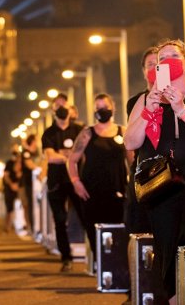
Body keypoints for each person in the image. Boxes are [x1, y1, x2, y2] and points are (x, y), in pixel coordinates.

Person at [125, 40, 185, 304]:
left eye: (173, 56)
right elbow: (130, 142)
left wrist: (182, 109)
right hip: (162, 186)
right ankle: (175, 298)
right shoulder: (146, 99)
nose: (166, 61)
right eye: (161, 58)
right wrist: (149, 110)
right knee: (167, 246)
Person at [67, 93, 132, 259]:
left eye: (105, 107)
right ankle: (99, 266)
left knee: (117, 233)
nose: (102, 111)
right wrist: (76, 182)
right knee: (94, 233)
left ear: (113, 109)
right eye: (98, 108)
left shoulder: (123, 132)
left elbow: (132, 163)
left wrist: (133, 185)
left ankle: (115, 270)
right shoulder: (87, 134)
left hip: (117, 192)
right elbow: (72, 160)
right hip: (91, 193)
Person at [40, 93, 85, 272]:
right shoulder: (48, 133)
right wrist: (71, 156)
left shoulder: (80, 130)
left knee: (85, 217)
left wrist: (64, 155)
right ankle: (66, 258)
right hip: (57, 182)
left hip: (77, 181)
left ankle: (96, 256)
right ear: (53, 109)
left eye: (63, 104)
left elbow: (82, 153)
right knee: (60, 220)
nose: (61, 108)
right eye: (57, 105)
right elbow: (51, 157)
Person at [124, 47, 158, 235]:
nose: (154, 68)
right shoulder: (136, 101)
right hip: (144, 171)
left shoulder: (181, 98)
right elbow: (131, 140)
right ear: (144, 70)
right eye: (150, 64)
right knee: (139, 227)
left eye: (158, 64)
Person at [20, 135, 39, 231]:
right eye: (37, 140)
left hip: (37, 183)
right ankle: (31, 225)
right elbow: (30, 165)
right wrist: (40, 169)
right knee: (30, 204)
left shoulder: (36, 152)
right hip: (28, 183)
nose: (38, 142)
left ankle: (36, 224)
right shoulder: (26, 153)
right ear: (32, 141)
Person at [2, 149, 22, 233]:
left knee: (19, 207)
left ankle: (17, 225)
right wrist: (12, 185)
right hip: (9, 189)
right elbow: (6, 176)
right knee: (9, 208)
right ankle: (7, 226)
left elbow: (20, 175)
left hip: (18, 188)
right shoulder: (9, 163)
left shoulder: (20, 164)